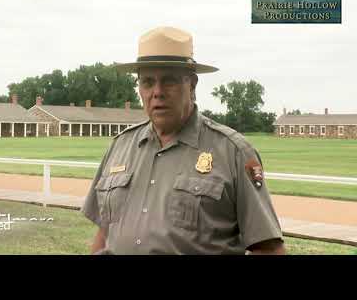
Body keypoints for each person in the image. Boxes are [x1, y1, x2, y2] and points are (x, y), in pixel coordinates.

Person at [81, 26, 285, 255]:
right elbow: (104, 232)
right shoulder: (120, 147)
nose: (157, 92)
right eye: (147, 82)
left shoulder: (233, 152)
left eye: (168, 81)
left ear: (192, 85)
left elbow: (268, 248)